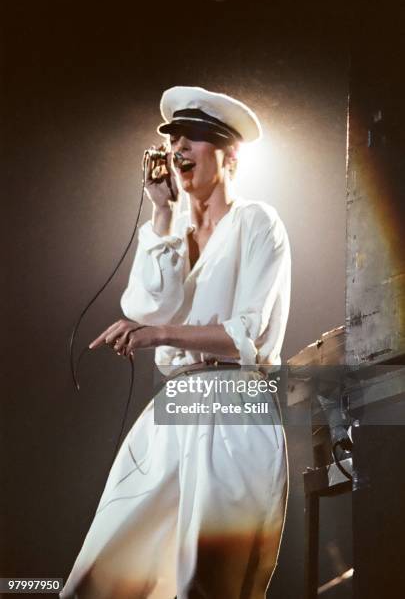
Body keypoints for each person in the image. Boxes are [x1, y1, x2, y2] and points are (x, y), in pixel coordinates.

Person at [60, 86, 291, 599]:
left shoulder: (257, 222)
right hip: (175, 404)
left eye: (193, 139)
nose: (178, 149)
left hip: (234, 400)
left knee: (204, 582)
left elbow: (246, 333)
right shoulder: (169, 229)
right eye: (173, 140)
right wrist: (161, 216)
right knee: (99, 577)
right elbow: (145, 309)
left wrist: (160, 334)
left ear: (230, 155)